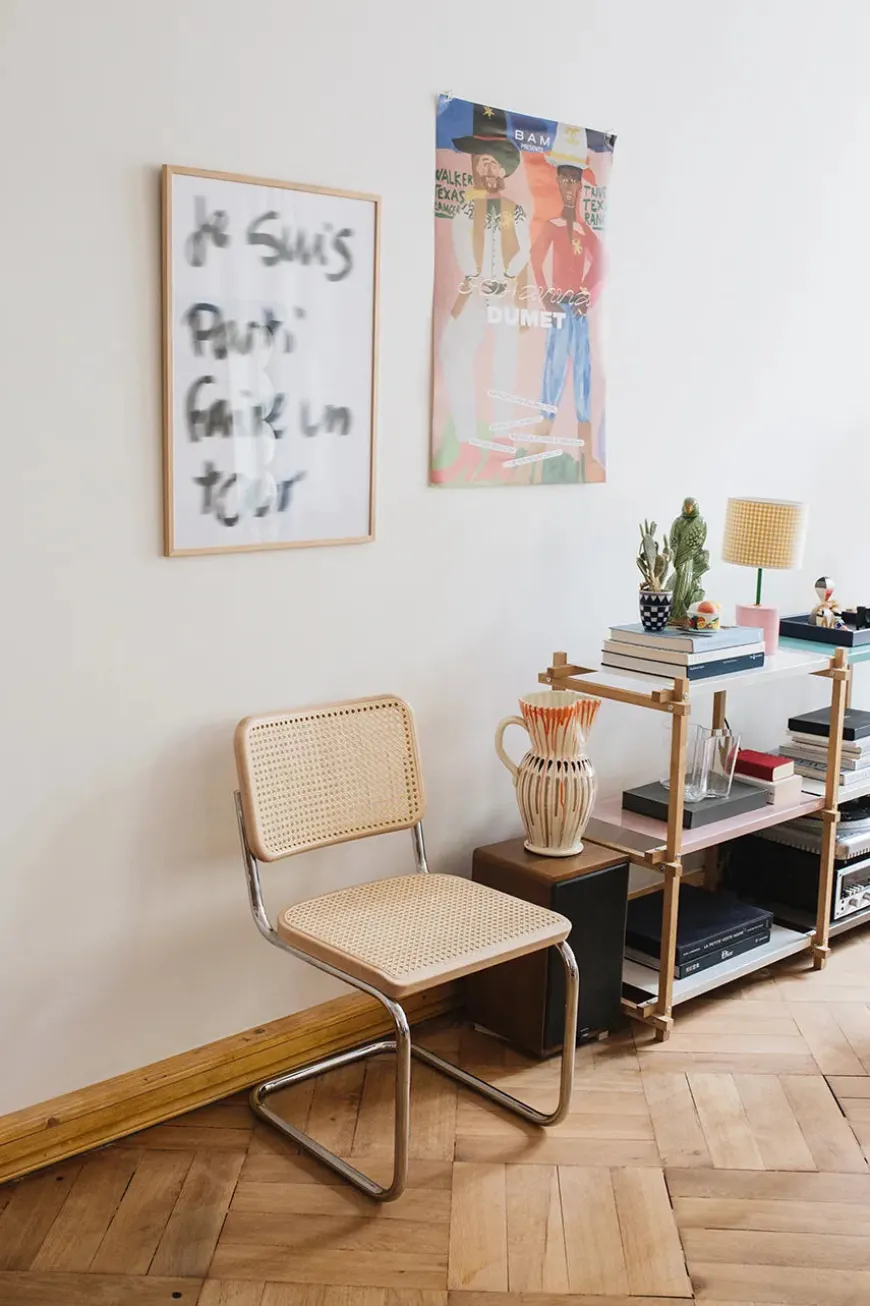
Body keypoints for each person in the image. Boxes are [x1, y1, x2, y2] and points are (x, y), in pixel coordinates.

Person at [439, 104, 530, 449]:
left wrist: (507, 276)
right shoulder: (466, 209)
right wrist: (475, 277)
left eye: (493, 162)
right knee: (452, 349)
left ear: (503, 169)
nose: (487, 168)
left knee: (506, 357)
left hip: (505, 292)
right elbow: (461, 243)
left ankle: (503, 430)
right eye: (482, 161)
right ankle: (465, 432)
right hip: (476, 290)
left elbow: (524, 249)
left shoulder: (515, 211)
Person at [530, 125, 604, 480]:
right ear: (558, 183)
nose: (570, 187)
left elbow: (601, 264)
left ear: (581, 185)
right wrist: (545, 294)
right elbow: (535, 258)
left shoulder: (586, 231)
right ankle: (537, 455)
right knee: (554, 373)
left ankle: (587, 456)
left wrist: (587, 293)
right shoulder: (553, 225)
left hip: (578, 312)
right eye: (565, 180)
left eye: (575, 181)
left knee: (583, 377)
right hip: (560, 309)